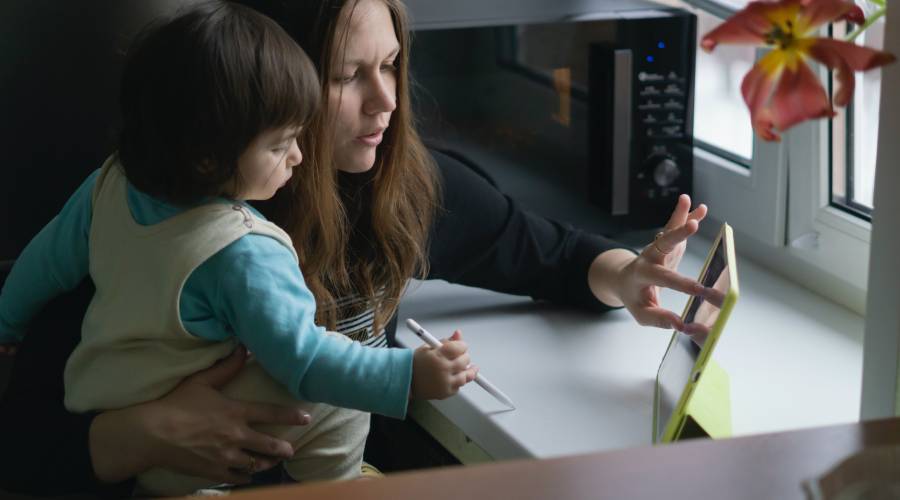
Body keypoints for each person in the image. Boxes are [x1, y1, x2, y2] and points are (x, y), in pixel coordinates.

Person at [0, 0, 710, 496]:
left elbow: (551, 255)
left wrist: (627, 276)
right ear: (271, 89)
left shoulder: (407, 190)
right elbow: (24, 443)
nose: (387, 101)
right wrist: (144, 434)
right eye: (348, 75)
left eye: (393, 64)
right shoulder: (170, 220)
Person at [0, 1, 477, 496]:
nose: (297, 153)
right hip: (166, 448)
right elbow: (305, 359)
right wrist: (409, 376)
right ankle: (337, 487)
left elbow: (44, 263)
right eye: (281, 143)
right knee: (339, 396)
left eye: (391, 64)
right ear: (210, 157)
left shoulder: (109, 182)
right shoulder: (244, 250)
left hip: (97, 396)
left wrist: (6, 320)